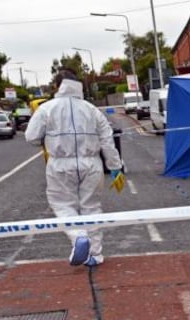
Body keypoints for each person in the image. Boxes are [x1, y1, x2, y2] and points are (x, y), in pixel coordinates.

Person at [25, 69, 124, 267]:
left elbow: (31, 137)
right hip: (92, 164)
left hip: (60, 164)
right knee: (91, 207)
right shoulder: (92, 110)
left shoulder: (46, 109)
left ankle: (78, 235)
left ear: (57, 86)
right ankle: (95, 254)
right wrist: (116, 168)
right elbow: (107, 141)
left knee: (62, 204)